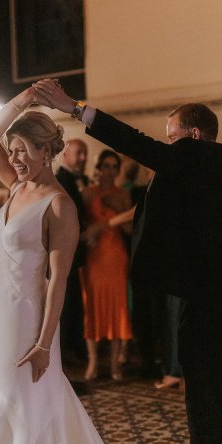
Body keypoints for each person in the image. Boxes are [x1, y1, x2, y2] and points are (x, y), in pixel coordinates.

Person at [34, 79, 222, 444]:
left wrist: (74, 107)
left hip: (208, 302)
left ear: (193, 135)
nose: (168, 144)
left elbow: (132, 142)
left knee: (206, 402)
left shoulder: (190, 158)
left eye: (173, 135)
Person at [0, 88, 178, 444]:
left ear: (45, 151)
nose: (13, 158)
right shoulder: (16, 186)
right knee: (11, 405)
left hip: (32, 323)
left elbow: (59, 281)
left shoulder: (59, 205)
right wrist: (23, 101)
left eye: (22, 151)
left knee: (30, 406)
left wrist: (43, 343)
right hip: (5, 320)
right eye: (11, 151)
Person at [82, 149, 133, 381]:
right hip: (94, 256)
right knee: (91, 306)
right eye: (107, 166)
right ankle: (93, 362)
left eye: (115, 166)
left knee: (117, 307)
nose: (110, 171)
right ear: (99, 168)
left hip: (115, 255)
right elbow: (80, 224)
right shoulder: (87, 193)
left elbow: (130, 230)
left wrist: (120, 208)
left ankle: (114, 365)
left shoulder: (123, 195)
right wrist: (88, 233)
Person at [55, 138, 88, 361]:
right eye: (79, 153)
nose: (83, 158)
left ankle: (73, 348)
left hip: (75, 254)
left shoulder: (76, 180)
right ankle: (62, 353)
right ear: (65, 154)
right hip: (65, 254)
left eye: (85, 153)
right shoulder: (61, 180)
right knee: (65, 305)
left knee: (74, 304)